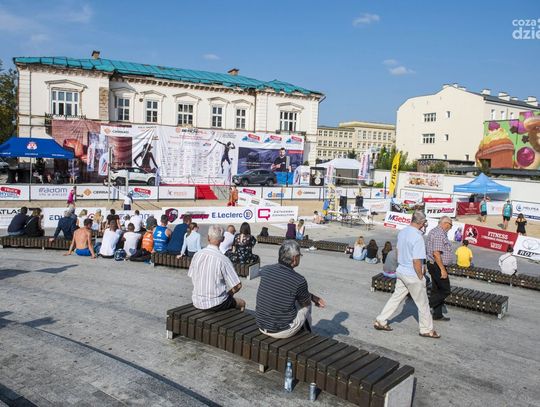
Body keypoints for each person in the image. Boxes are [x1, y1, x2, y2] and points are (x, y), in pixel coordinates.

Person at [374, 210, 440, 339]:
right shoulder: (418, 237)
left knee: (396, 298)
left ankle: (381, 320)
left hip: (401, 271)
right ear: (421, 223)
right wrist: (420, 277)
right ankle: (426, 330)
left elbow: (398, 251)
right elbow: (417, 261)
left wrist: (402, 264)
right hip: (412, 274)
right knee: (423, 304)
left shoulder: (403, 232)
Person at [256, 240, 326, 338]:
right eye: (299, 256)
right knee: (306, 305)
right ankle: (308, 334)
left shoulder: (266, 269)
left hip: (261, 325)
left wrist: (313, 297)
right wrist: (312, 298)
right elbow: (305, 303)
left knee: (296, 298)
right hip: (280, 331)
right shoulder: (299, 280)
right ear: (294, 258)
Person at [188, 225, 246, 311]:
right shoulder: (223, 259)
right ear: (222, 239)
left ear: (208, 237)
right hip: (216, 303)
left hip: (196, 301)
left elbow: (191, 275)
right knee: (242, 303)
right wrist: (229, 294)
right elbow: (237, 285)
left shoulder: (197, 255)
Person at [426, 216, 454, 321]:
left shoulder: (437, 232)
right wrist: (443, 269)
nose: (451, 227)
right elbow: (436, 254)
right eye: (451, 225)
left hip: (435, 264)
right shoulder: (439, 234)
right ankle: (426, 306)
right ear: (446, 223)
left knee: (436, 289)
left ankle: (437, 315)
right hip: (437, 265)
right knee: (445, 290)